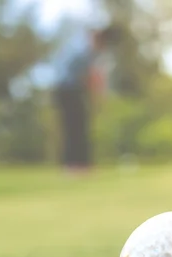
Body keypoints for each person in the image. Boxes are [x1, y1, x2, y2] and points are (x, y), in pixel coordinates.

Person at [52, 25, 118, 174]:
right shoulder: (82, 49)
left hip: (74, 89)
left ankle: (83, 164)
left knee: (81, 125)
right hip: (65, 89)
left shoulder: (88, 47)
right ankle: (72, 165)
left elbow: (93, 75)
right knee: (72, 127)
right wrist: (98, 95)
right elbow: (89, 76)